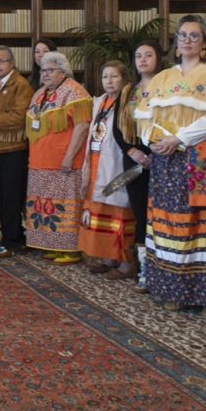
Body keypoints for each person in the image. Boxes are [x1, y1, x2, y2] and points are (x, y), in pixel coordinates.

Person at [142, 15, 206, 317]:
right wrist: (153, 140)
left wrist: (179, 138)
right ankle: (173, 291)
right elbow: (145, 117)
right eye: (182, 35)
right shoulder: (162, 78)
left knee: (204, 224)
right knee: (169, 224)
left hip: (202, 158)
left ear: (205, 42)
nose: (187, 40)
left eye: (194, 36)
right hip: (166, 162)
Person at [24, 51, 93, 264]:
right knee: (45, 205)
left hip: (64, 162)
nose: (45, 74)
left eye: (50, 70)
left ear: (63, 72)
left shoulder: (75, 91)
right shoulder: (39, 93)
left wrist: (69, 156)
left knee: (64, 203)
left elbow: (82, 126)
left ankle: (70, 249)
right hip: (40, 162)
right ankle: (52, 245)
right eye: (43, 70)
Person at [78, 61, 138, 279]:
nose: (109, 81)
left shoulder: (128, 102)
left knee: (117, 210)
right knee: (99, 208)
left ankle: (125, 261)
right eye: (105, 77)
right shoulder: (100, 102)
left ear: (124, 79)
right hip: (96, 161)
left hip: (117, 162)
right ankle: (107, 256)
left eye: (114, 77)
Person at [0, 45, 34, 257]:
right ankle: (8, 236)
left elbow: (18, 116)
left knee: (13, 197)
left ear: (11, 63)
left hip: (14, 148)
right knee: (2, 197)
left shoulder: (20, 84)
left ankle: (13, 241)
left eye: (1, 61)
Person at [127, 39, 165, 292]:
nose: (142, 59)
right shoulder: (129, 91)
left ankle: (164, 271)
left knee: (162, 217)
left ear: (158, 59)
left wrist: (154, 151)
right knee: (141, 215)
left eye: (148, 55)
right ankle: (144, 271)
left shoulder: (169, 86)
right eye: (138, 55)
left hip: (163, 157)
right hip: (132, 160)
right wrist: (132, 151)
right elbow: (120, 127)